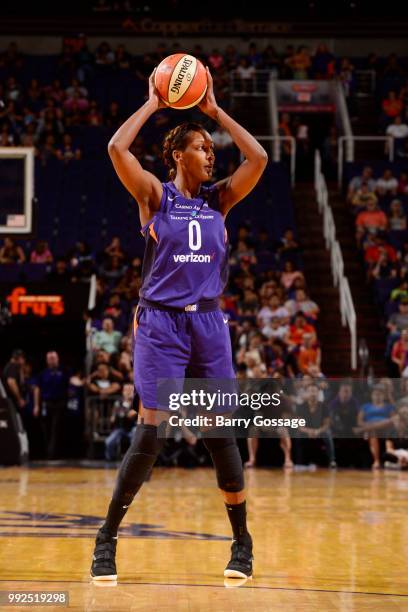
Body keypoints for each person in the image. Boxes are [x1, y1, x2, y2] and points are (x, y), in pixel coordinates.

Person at [90, 67, 268, 581]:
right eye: (201, 147)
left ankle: (242, 543)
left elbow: (257, 158)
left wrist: (214, 113)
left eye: (211, 148)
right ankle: (106, 539)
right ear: (176, 155)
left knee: (219, 434)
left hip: (209, 325)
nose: (211, 154)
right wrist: (151, 103)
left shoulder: (220, 200)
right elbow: (116, 151)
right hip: (161, 324)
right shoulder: (154, 196)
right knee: (152, 430)